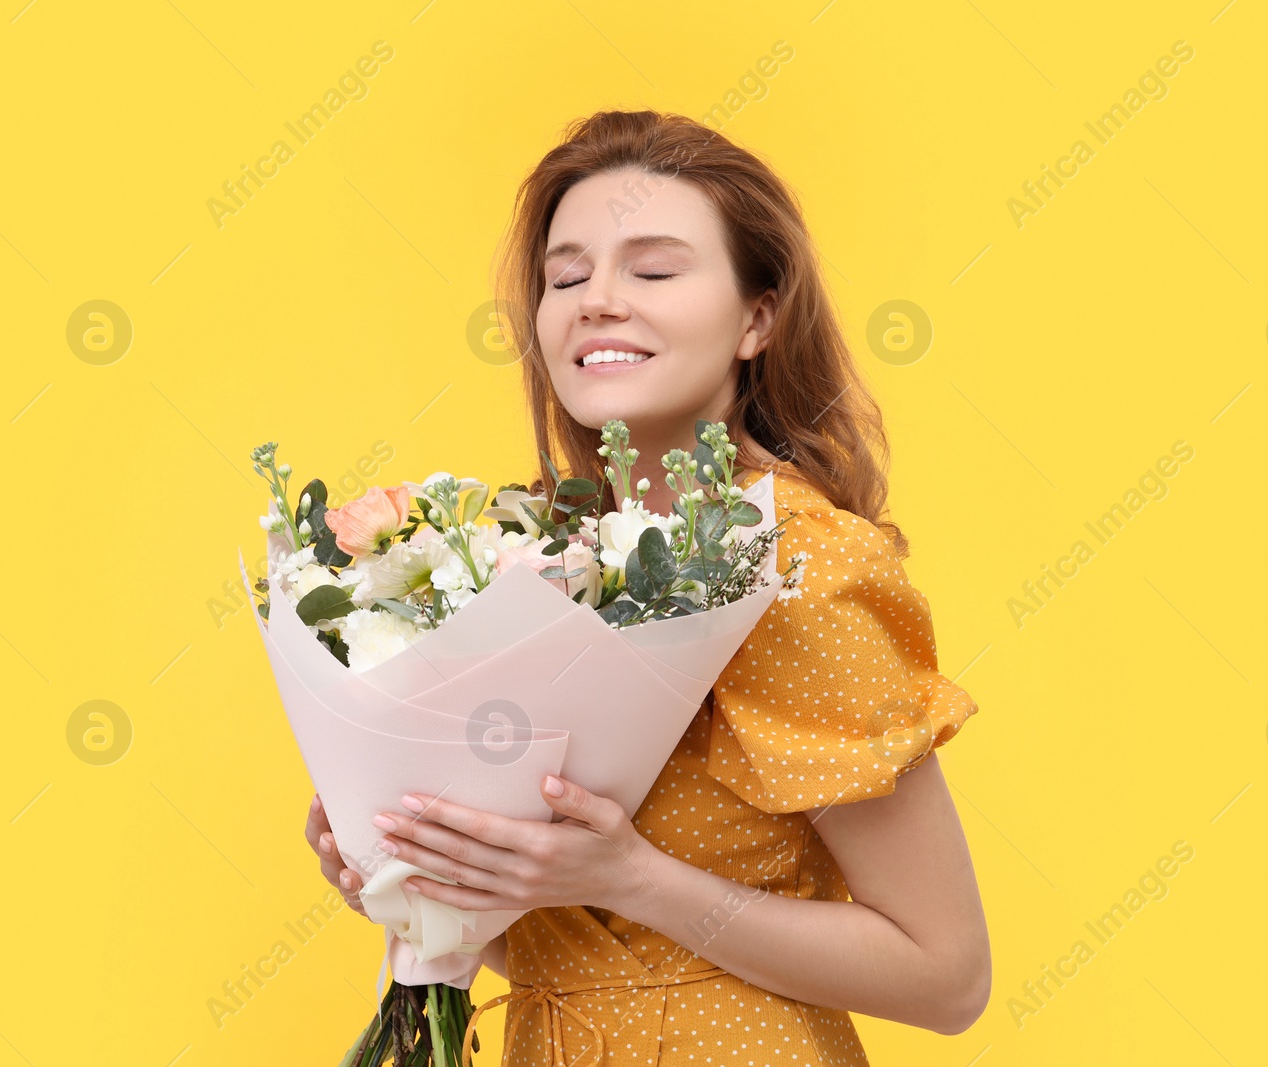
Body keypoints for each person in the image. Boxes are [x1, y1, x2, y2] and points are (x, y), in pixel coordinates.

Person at [303, 109, 990, 1065]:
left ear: (759, 317)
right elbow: (597, 958)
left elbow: (946, 974)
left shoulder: (796, 564)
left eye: (655, 270)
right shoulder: (529, 558)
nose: (597, 301)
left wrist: (633, 875)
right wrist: (423, 877)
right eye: (567, 276)